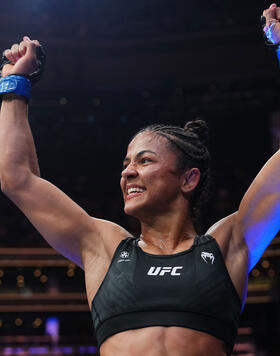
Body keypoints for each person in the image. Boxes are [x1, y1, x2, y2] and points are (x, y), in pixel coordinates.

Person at [0, 4, 279, 355]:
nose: (127, 171)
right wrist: (15, 82)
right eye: (126, 163)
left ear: (189, 179)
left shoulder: (228, 244)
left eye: (144, 160)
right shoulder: (103, 247)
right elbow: (17, 178)